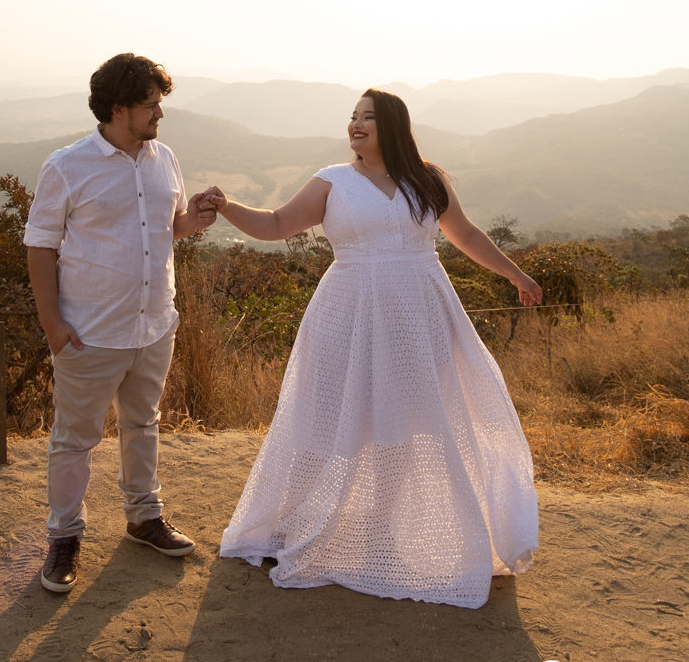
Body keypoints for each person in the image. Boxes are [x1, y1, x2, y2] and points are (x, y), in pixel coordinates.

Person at [204, 88, 542, 609]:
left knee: (406, 420)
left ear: (393, 126)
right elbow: (274, 225)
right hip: (347, 315)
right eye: (353, 117)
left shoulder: (428, 181)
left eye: (368, 117)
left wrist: (515, 273)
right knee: (326, 416)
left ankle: (385, 532)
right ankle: (296, 523)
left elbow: (466, 234)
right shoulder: (332, 180)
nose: (356, 125)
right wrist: (226, 207)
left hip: (420, 315)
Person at [24, 53, 216, 594]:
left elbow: (166, 228)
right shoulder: (67, 165)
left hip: (155, 324)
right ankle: (64, 535)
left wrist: (192, 220)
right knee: (74, 439)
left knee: (143, 422)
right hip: (89, 332)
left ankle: (142, 516)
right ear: (118, 108)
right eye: (151, 104)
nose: (160, 113)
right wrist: (52, 324)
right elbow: (40, 244)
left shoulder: (164, 158)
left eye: (160, 102)